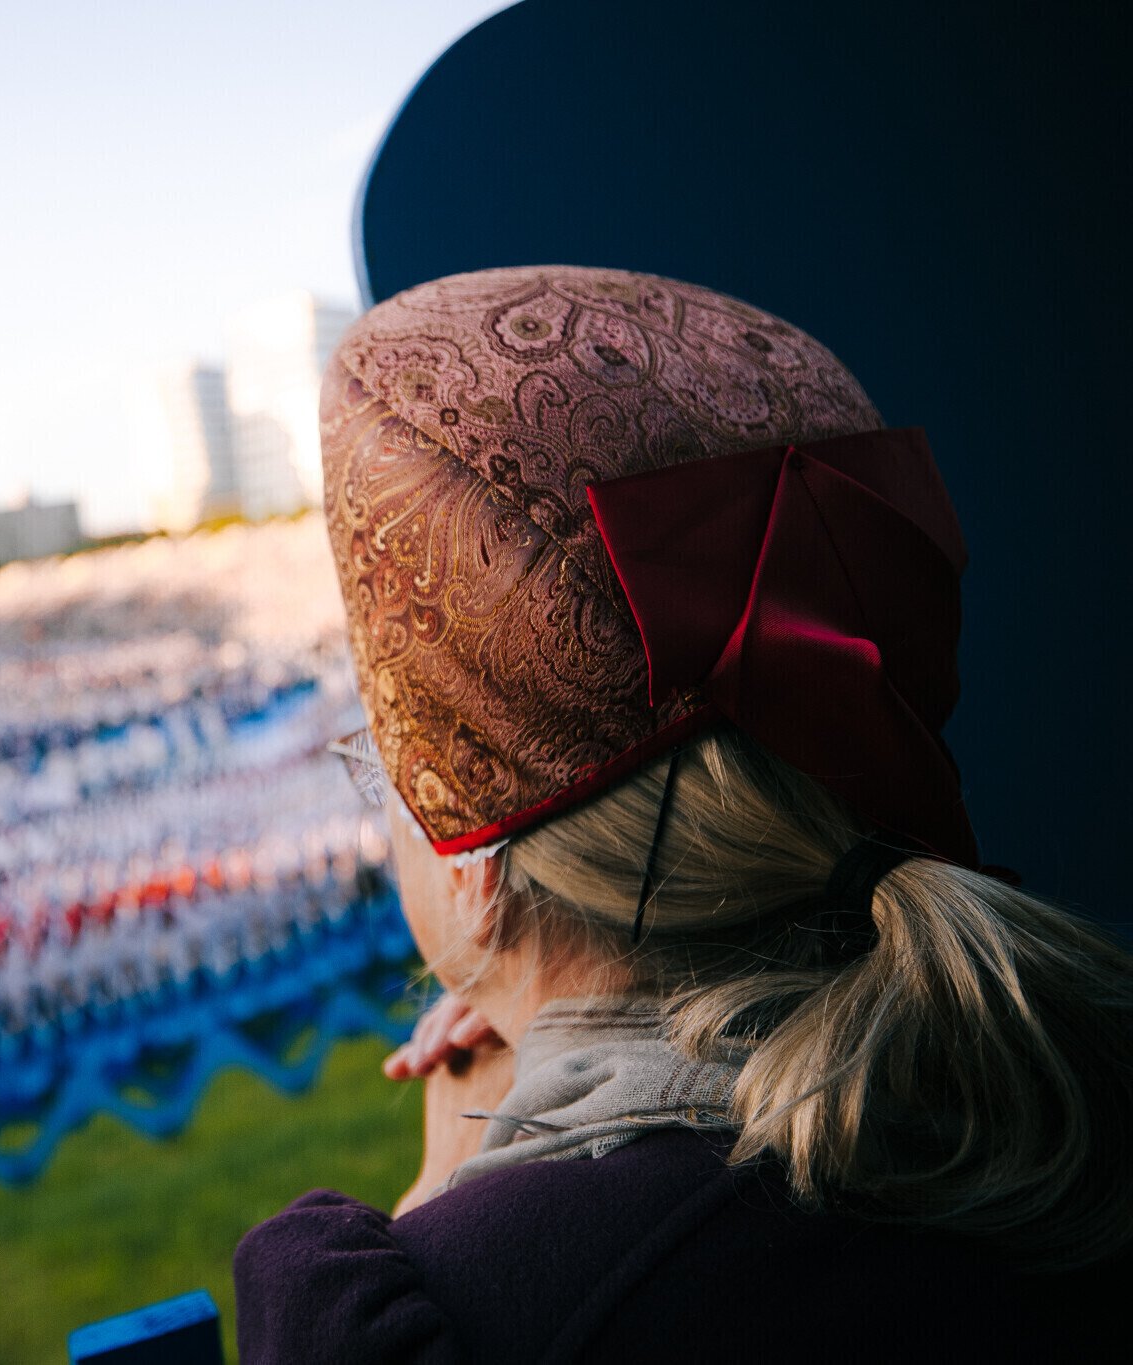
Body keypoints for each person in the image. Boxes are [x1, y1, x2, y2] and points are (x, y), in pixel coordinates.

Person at [232, 266, 1133, 1362]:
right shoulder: (1058, 1076)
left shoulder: (452, 1318)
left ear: (472, 856)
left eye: (376, 766)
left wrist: (444, 1204)